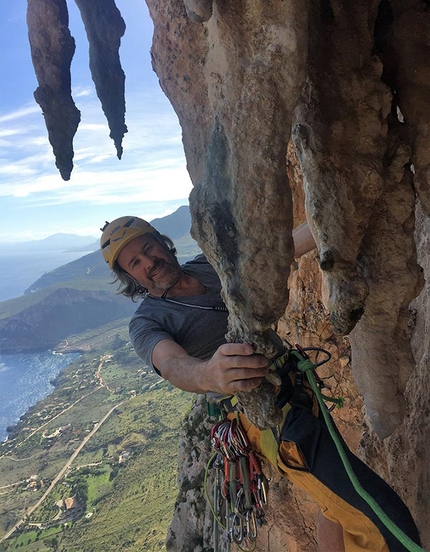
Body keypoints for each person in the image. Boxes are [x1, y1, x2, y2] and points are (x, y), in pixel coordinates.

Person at [100, 216, 421, 552]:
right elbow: (171, 364)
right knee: (381, 518)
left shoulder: (207, 266)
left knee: (334, 502)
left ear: (162, 242)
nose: (150, 262)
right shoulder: (147, 322)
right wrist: (208, 373)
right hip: (269, 421)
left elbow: (277, 253)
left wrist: (336, 210)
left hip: (295, 389)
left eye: (149, 248)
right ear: (130, 277)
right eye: (135, 262)